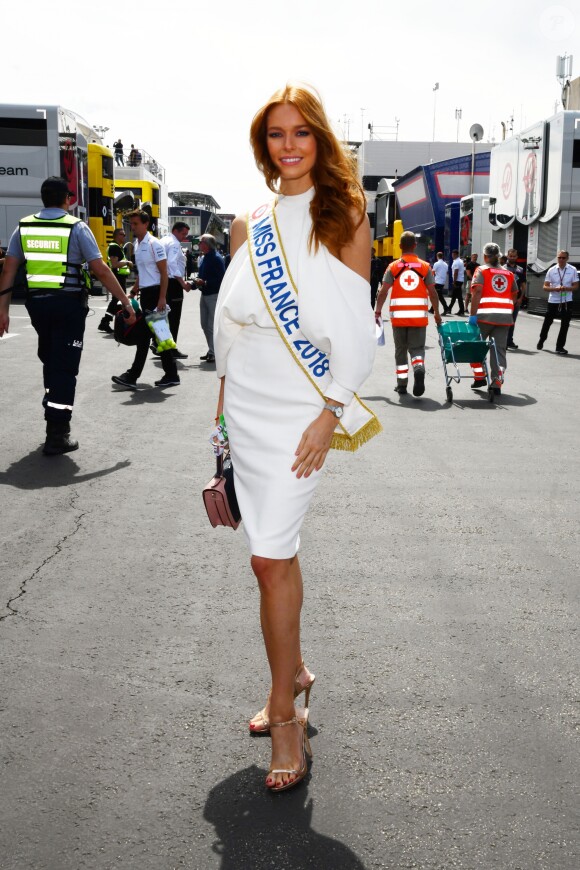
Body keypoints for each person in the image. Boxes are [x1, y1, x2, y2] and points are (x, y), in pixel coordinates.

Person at [214, 84, 379, 793]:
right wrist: (220, 419)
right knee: (271, 558)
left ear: (320, 140)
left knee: (268, 556)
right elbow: (232, 323)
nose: (288, 145)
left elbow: (359, 331)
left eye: (301, 133)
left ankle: (286, 714)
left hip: (301, 407)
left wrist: (330, 413)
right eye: (276, 134)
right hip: (246, 402)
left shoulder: (343, 216)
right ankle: (297, 672)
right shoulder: (247, 221)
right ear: (264, 145)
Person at [0, 176, 135, 454]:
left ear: (43, 198)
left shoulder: (24, 227)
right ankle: (57, 433)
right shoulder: (76, 227)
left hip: (37, 305)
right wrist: (125, 301)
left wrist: (3, 310)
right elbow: (100, 269)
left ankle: (52, 408)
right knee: (65, 367)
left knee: (50, 360)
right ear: (68, 199)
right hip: (68, 306)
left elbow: (9, 269)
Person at [111, 209, 179, 389]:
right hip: (146, 295)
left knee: (149, 337)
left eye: (135, 224)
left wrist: (162, 298)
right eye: (131, 224)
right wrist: (133, 291)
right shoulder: (137, 244)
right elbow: (143, 273)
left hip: (156, 294)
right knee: (160, 337)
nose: (132, 227)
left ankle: (133, 376)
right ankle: (171, 374)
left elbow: (164, 273)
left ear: (146, 224)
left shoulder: (154, 244)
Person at [374, 231, 442, 396]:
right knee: (417, 349)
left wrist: (377, 311)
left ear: (399, 246)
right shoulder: (425, 266)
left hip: (398, 319)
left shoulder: (393, 267)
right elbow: (433, 293)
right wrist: (437, 313)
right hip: (418, 318)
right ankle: (418, 366)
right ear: (415, 246)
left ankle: (402, 384)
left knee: (400, 350)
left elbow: (383, 292)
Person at [468, 241, 517, 395]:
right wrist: (505, 308)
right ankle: (496, 383)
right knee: (499, 351)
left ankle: (479, 376)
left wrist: (472, 315)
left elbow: (476, 293)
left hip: (484, 318)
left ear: (485, 256)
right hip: (504, 319)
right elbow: (514, 294)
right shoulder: (509, 274)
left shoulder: (481, 270)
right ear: (498, 256)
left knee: (474, 347)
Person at [159, 221, 192, 359]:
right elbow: (172, 263)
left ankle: (162, 346)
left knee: (163, 317)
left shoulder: (163, 240)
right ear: (176, 231)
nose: (184, 237)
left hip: (162, 281)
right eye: (183, 233)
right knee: (174, 317)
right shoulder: (174, 243)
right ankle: (171, 349)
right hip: (173, 283)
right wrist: (182, 283)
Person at [537, 250, 578, 355]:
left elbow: (576, 286)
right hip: (553, 300)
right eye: (559, 257)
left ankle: (560, 346)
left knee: (565, 324)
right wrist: (555, 289)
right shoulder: (551, 270)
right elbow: (545, 287)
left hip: (567, 300)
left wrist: (566, 288)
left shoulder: (572, 270)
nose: (561, 260)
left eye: (563, 258)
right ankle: (542, 339)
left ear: (567, 259)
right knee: (548, 322)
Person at [194, 233, 225, 363]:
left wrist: (205, 282)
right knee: (204, 324)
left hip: (213, 295)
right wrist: (195, 283)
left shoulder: (216, 258)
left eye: (201, 242)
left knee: (211, 325)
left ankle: (214, 352)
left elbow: (221, 279)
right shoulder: (206, 257)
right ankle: (211, 350)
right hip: (205, 294)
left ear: (206, 244)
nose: (199, 244)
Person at [97, 228, 132, 333]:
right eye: (122, 234)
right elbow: (114, 264)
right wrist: (127, 262)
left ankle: (107, 321)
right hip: (117, 277)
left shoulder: (118, 247)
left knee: (118, 299)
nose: (124, 236)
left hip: (119, 277)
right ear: (117, 235)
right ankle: (109, 321)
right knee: (119, 299)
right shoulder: (114, 247)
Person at [504, 248, 526, 350]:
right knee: (504, 321)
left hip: (516, 300)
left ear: (517, 257)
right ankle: (503, 341)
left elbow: (523, 285)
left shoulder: (520, 270)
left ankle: (509, 341)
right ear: (507, 256)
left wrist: (521, 298)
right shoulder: (502, 269)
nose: (512, 257)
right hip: (505, 299)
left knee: (512, 321)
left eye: (514, 256)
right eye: (510, 256)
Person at [448, 249, 466, 315]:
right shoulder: (460, 261)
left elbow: (456, 272)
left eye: (453, 254)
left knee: (458, 296)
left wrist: (454, 282)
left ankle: (461, 311)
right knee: (455, 296)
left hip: (457, 280)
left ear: (455, 254)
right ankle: (450, 309)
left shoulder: (457, 262)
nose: (452, 255)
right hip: (460, 280)